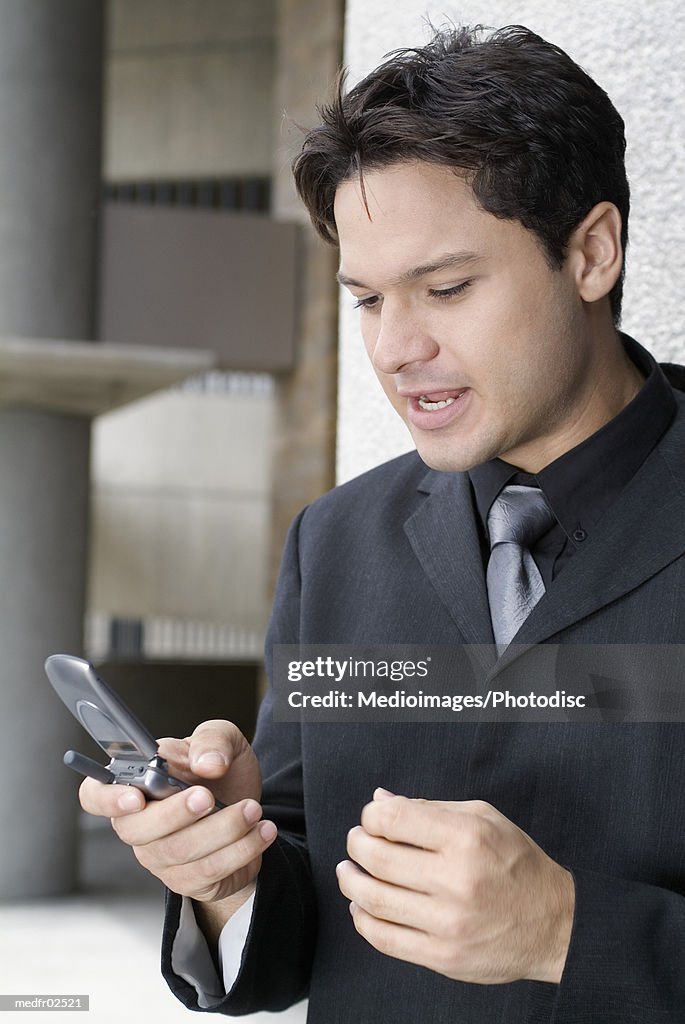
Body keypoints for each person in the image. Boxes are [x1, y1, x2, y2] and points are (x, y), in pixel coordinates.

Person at [79, 24, 685, 1023]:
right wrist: (227, 872)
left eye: (445, 289)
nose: (396, 348)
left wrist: (566, 932)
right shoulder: (334, 544)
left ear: (590, 252)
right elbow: (299, 918)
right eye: (365, 299)